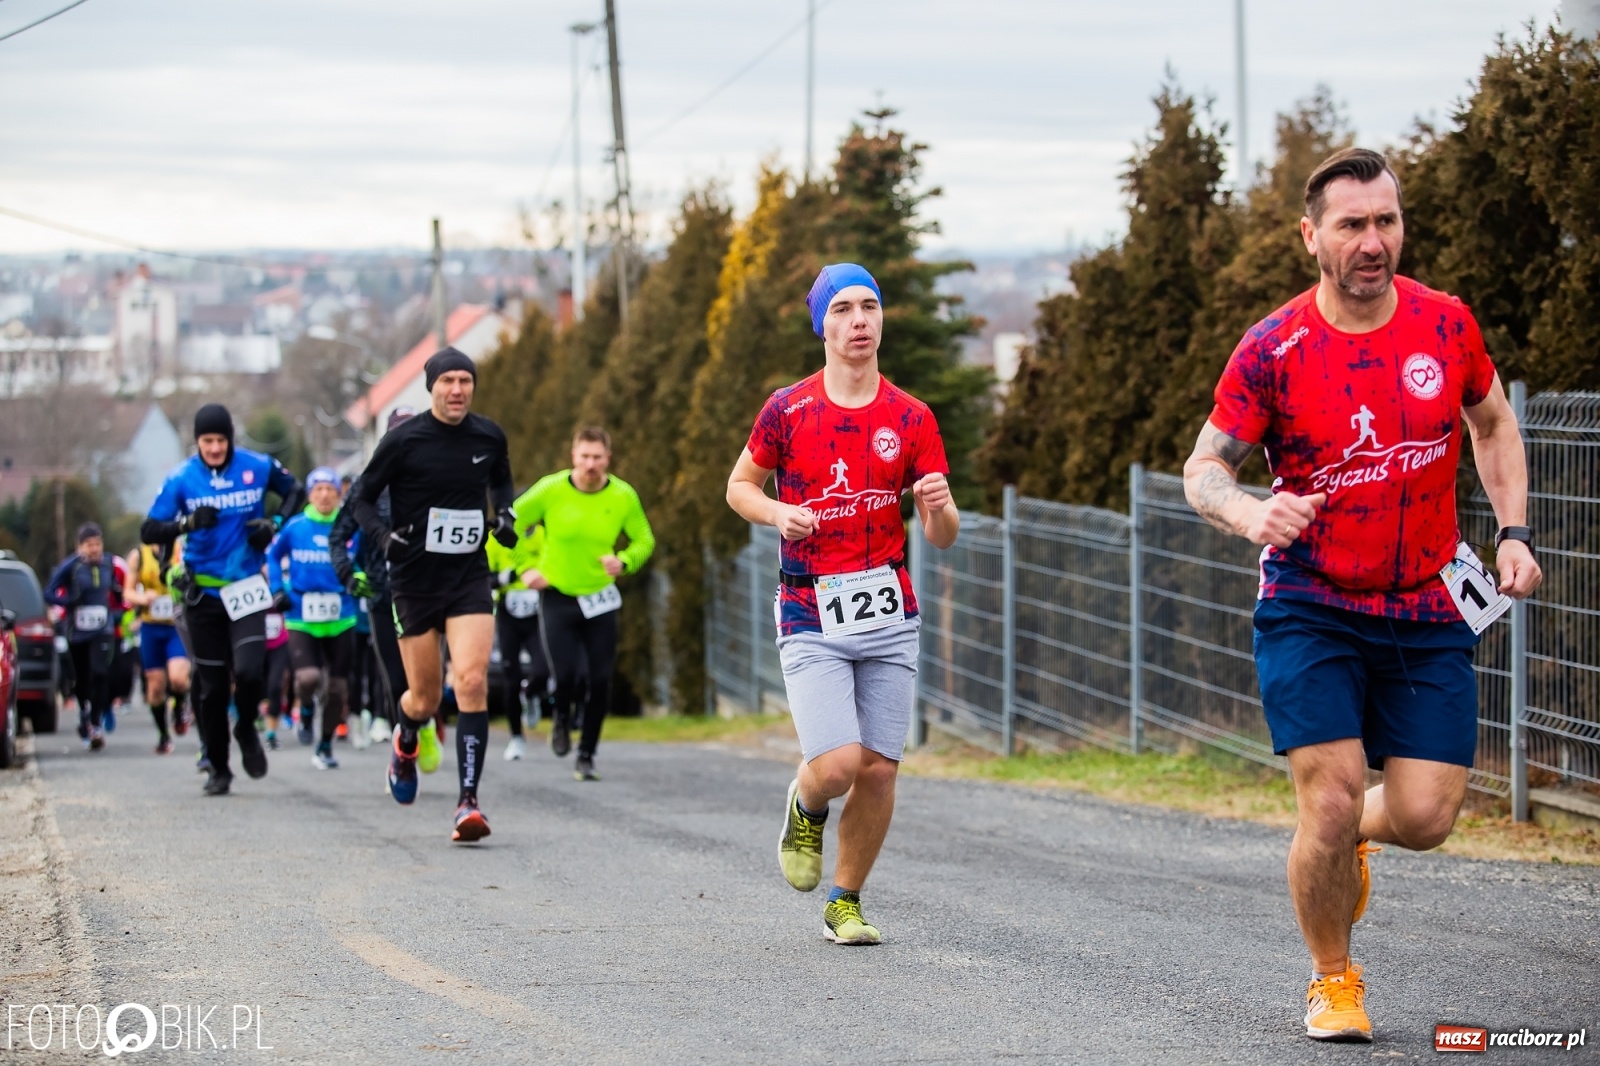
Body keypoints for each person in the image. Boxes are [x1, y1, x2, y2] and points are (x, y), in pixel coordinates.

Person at [1181, 148, 1542, 1043]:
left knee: (1427, 817)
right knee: (1330, 799)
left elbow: (1492, 423)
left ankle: (1355, 841)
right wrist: (1247, 509)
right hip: (1312, 603)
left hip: (1427, 601)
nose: (1372, 241)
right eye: (1351, 225)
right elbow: (1202, 468)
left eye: (1386, 221)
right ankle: (1333, 978)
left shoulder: (1445, 325)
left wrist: (1513, 530)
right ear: (1312, 237)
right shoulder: (1273, 348)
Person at [725, 263, 959, 946]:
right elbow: (739, 485)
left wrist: (938, 511)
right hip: (809, 607)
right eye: (843, 310)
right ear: (821, 326)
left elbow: (943, 538)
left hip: (888, 610)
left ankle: (846, 900)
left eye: (870, 307)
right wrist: (775, 513)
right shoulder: (788, 409)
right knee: (837, 765)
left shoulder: (911, 417)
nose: (859, 321)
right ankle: (805, 801)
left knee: (880, 768)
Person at [348, 350, 517, 842]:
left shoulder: (489, 436)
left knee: (469, 681)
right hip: (414, 582)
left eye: (466, 380)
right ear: (432, 388)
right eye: (448, 381)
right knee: (422, 698)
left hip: (467, 576)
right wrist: (382, 538)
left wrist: (504, 516)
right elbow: (360, 499)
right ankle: (405, 742)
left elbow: (501, 483)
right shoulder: (403, 440)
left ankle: (468, 802)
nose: (458, 389)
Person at [142, 403, 304, 796]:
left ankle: (246, 726)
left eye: (220, 440)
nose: (214, 448)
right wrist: (185, 524)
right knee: (212, 687)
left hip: (246, 587)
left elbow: (295, 491)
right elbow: (149, 530)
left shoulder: (256, 466)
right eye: (206, 441)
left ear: (231, 438)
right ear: (197, 441)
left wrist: (274, 524)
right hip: (204, 594)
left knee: (250, 672)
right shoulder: (183, 478)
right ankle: (218, 765)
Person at [513, 428, 654, 781]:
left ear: (608, 458)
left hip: (600, 599)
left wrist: (624, 561)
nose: (590, 464)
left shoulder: (622, 495)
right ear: (573, 456)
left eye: (597, 457)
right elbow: (510, 523)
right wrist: (525, 569)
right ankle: (561, 718)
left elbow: (644, 540)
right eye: (584, 456)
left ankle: (587, 753)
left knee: (600, 679)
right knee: (567, 676)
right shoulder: (551, 489)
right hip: (557, 594)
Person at [268, 467, 362, 770]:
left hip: (342, 616)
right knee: (307, 678)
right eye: (318, 489)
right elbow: (271, 556)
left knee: (337, 689)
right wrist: (276, 589)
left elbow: (359, 562)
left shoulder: (349, 528)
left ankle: (324, 745)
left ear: (339, 495)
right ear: (310, 494)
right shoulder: (296, 527)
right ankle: (306, 708)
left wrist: (358, 579)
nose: (324, 495)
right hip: (301, 616)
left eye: (330, 490)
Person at [332, 407, 415, 748]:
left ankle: (420, 726)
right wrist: (349, 576)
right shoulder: (368, 486)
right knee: (396, 681)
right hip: (382, 595)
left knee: (425, 682)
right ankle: (405, 746)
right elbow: (338, 536)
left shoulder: (441, 482)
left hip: (429, 594)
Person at [45, 523, 129, 751]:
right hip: (78, 631)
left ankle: (95, 723)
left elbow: (120, 593)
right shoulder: (70, 567)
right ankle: (83, 709)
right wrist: (68, 602)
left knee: (101, 673)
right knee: (81, 679)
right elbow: (49, 593)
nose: (94, 549)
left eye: (97, 544)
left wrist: (121, 608)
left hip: (103, 629)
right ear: (80, 546)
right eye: (89, 545)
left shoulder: (110, 564)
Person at [486, 522, 551, 761]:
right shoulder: (496, 539)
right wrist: (507, 576)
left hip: (537, 612)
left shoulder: (545, 536)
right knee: (510, 675)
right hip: (507, 612)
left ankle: (531, 692)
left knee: (544, 669)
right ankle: (516, 737)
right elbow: (484, 576)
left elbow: (554, 567)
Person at [124, 539, 191, 754]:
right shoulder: (139, 556)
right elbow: (127, 591)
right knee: (155, 688)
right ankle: (163, 734)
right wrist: (143, 598)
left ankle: (180, 706)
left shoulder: (180, 551)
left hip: (176, 626)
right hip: (151, 628)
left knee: (179, 678)